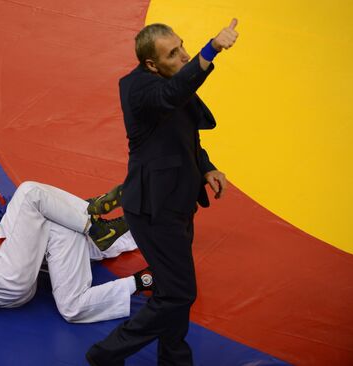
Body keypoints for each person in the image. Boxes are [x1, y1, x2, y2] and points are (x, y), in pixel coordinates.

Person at [86, 19, 239, 365]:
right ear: (151, 64)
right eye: (174, 54)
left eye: (183, 46)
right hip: (154, 211)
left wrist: (207, 167)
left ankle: (174, 359)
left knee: (173, 291)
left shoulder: (167, 78)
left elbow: (184, 139)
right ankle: (105, 354)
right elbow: (173, 95)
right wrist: (211, 49)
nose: (184, 56)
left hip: (177, 203)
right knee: (179, 294)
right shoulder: (141, 91)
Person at [0, 181, 153, 322]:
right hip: (6, 277)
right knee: (30, 193)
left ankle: (140, 277)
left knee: (71, 303)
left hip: (8, 283)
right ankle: (91, 218)